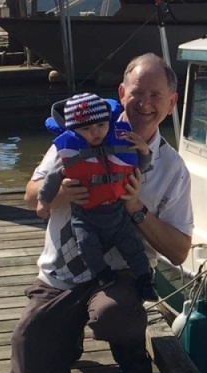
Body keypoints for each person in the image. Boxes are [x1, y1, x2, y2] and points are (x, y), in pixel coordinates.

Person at [11, 53, 194, 373]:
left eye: (157, 96)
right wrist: (61, 193)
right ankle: (66, 333)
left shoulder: (172, 169)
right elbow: (30, 195)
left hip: (120, 275)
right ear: (121, 92)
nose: (145, 104)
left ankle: (130, 355)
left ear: (172, 103)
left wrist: (135, 207)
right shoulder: (75, 136)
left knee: (115, 316)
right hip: (61, 275)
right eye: (137, 93)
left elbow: (180, 250)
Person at [36, 91, 157, 301]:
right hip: (85, 217)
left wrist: (145, 151)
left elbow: (142, 166)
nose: (96, 132)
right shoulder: (69, 153)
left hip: (117, 213)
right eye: (86, 129)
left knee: (134, 248)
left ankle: (145, 281)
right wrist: (43, 201)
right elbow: (52, 179)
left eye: (101, 125)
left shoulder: (121, 143)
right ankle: (104, 276)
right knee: (86, 247)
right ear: (74, 130)